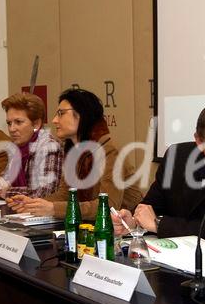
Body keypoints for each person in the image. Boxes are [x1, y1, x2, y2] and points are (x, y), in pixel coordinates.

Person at [113, 100, 205, 247]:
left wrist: (158, 224)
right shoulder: (176, 157)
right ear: (199, 141)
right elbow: (151, 207)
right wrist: (133, 222)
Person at [7, 88, 142, 220]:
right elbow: (65, 194)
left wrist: (53, 208)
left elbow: (108, 206)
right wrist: (33, 204)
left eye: (61, 113)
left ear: (82, 114)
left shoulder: (110, 150)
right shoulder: (74, 150)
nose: (54, 120)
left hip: (125, 229)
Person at [0, 93, 63, 199]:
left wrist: (6, 192)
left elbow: (43, 193)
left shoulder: (48, 146)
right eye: (9, 123)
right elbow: (5, 179)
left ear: (36, 124)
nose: (11, 129)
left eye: (18, 122)